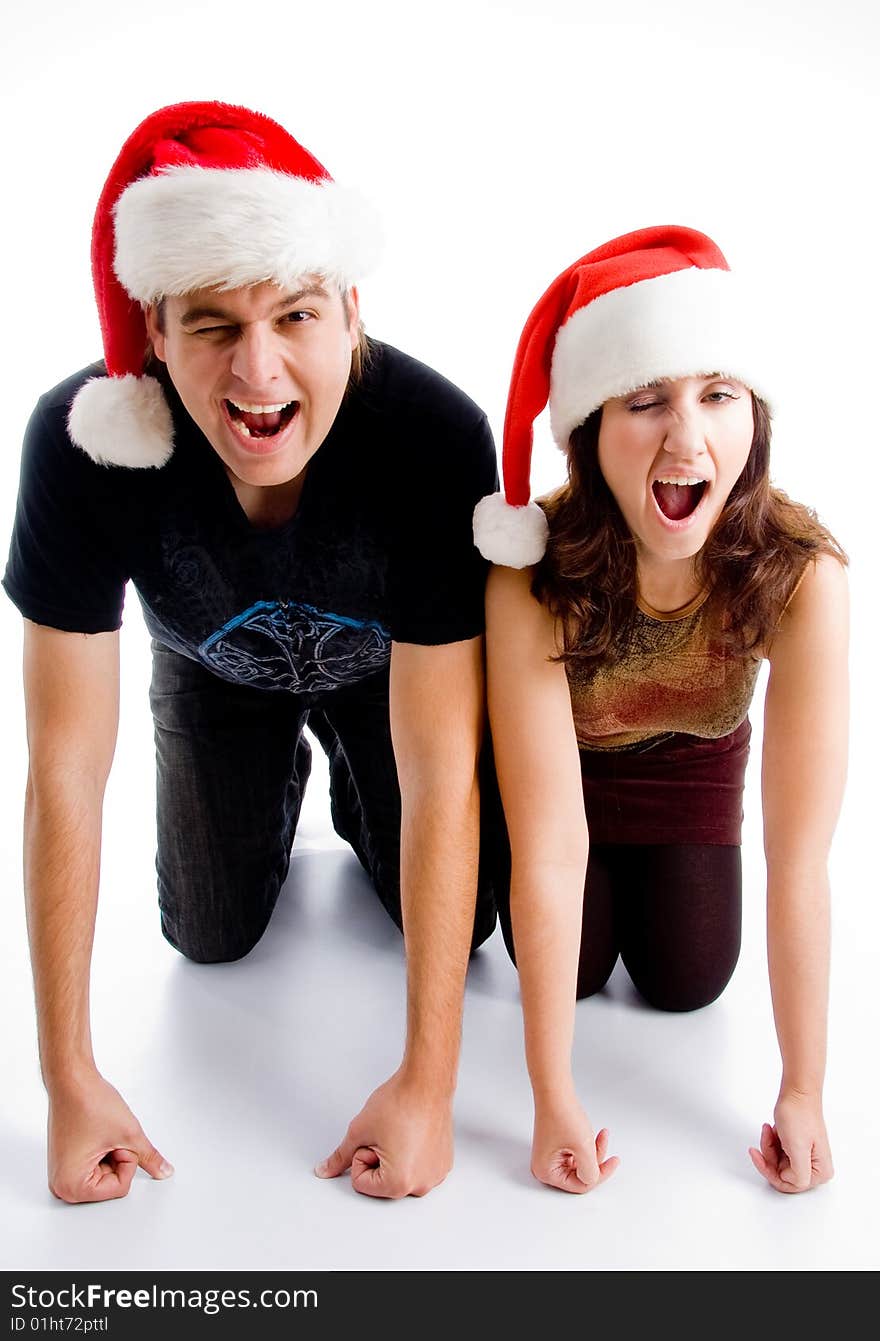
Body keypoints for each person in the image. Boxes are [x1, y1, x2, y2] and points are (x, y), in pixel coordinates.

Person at [3, 100, 507, 1204]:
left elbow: (440, 777)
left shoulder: (432, 438)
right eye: (213, 325)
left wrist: (429, 1085)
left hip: (387, 679)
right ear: (154, 333)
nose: (259, 369)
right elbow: (62, 773)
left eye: (294, 314)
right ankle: (269, 762)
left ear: (350, 313)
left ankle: (331, 761)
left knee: (466, 927)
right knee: (208, 937)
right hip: (211, 674)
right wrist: (67, 1077)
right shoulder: (81, 442)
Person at [473, 225, 848, 1196]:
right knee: (577, 967)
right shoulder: (530, 568)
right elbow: (553, 848)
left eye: (718, 395)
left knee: (689, 980)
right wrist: (550, 1094)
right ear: (591, 429)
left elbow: (799, 854)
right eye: (646, 401)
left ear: (754, 416)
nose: (688, 439)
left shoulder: (802, 575)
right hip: (566, 774)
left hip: (691, 772)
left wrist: (803, 1089)